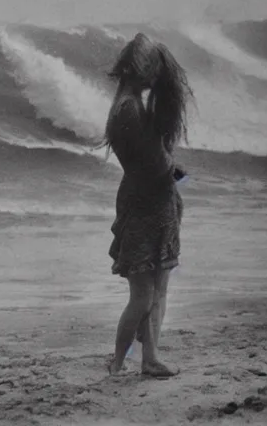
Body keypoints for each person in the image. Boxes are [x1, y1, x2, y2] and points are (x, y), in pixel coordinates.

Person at [104, 34, 192, 379]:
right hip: (148, 204)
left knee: (151, 290)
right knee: (146, 294)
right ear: (139, 69)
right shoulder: (131, 108)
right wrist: (174, 171)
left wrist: (171, 170)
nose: (156, 77)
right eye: (152, 69)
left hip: (145, 200)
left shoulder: (126, 105)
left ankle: (142, 359)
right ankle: (120, 362)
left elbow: (151, 162)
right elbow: (156, 166)